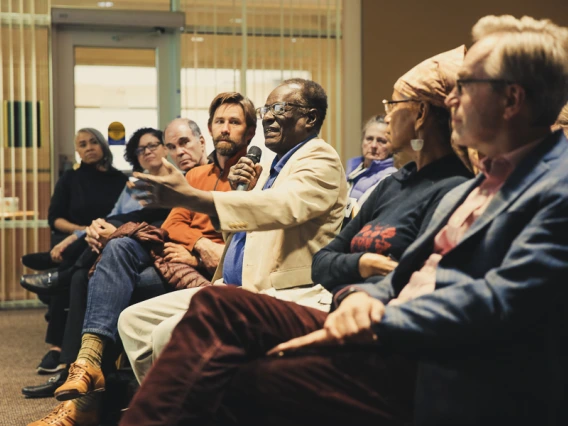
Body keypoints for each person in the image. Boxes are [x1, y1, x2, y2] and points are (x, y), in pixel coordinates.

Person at [119, 15, 568, 426]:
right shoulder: (478, 183)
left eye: (466, 85)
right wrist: (360, 293)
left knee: (234, 375)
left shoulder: (554, 189)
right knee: (218, 308)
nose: (452, 97)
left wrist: (376, 316)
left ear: (511, 99)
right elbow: (399, 271)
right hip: (377, 319)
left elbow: (501, 301)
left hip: (435, 359)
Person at [26, 93, 256, 426]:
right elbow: (174, 225)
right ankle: (87, 363)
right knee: (118, 249)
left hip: (212, 269)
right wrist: (199, 242)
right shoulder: (195, 176)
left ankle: (84, 402)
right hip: (177, 257)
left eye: (234, 123)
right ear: (210, 127)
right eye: (220, 121)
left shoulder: (253, 175)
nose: (226, 129)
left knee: (112, 284)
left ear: (248, 133)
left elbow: (243, 235)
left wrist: (200, 252)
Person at [19, 127, 174, 399]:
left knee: (108, 238)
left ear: (165, 148)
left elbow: (134, 220)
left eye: (153, 145)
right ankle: (72, 366)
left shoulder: (176, 181)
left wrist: (100, 230)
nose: (148, 151)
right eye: (141, 149)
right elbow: (108, 216)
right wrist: (81, 234)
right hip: (106, 239)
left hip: (141, 242)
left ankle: (60, 276)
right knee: (82, 276)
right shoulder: (131, 184)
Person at [313, 46, 473, 290]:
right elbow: (321, 263)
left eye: (393, 105)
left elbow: (409, 280)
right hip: (345, 304)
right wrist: (363, 263)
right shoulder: (392, 184)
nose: (386, 118)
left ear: (420, 113)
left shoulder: (456, 187)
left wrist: (350, 277)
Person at [24, 128, 127, 376]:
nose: (89, 147)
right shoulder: (70, 178)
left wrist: (92, 232)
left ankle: (60, 347)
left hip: (105, 240)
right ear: (77, 151)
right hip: (76, 238)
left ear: (103, 145)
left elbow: (122, 218)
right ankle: (57, 348)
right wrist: (80, 231)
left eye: (93, 142)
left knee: (66, 275)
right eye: (82, 144)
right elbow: (54, 219)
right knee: (71, 272)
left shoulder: (120, 180)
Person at [345, 115, 397, 205]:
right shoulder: (352, 169)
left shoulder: (391, 178)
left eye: (381, 141)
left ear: (391, 146)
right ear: (362, 141)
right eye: (369, 139)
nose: (373, 145)